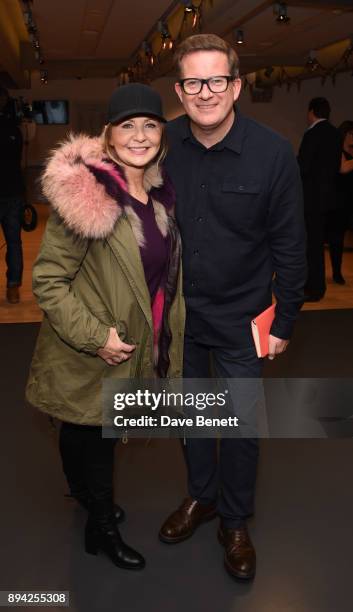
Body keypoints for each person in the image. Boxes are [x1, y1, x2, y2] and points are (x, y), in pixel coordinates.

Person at [158, 34, 306, 581]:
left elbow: (291, 244)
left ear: (236, 85)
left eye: (216, 80)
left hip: (243, 319)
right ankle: (203, 498)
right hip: (179, 318)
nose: (205, 92)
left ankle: (236, 519)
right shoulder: (163, 144)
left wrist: (284, 319)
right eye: (193, 82)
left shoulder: (272, 153)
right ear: (180, 89)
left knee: (240, 427)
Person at [26, 83, 185, 570]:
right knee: (93, 436)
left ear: (162, 133)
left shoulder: (159, 191)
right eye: (127, 125)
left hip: (135, 342)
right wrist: (98, 337)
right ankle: (102, 527)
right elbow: (49, 280)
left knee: (91, 433)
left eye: (150, 125)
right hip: (89, 345)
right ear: (109, 135)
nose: (139, 135)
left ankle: (92, 504)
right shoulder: (88, 194)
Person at [298, 97, 342, 301]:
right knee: (320, 245)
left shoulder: (312, 133)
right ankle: (316, 286)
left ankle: (313, 288)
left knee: (311, 245)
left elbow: (303, 167)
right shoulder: (335, 134)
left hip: (312, 199)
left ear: (311, 111)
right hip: (330, 198)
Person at [0, 86, 25, 303]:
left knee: (14, 243)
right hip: (14, 192)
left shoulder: (13, 129)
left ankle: (14, 285)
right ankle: (13, 286)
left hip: (12, 194)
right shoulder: (14, 129)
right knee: (14, 242)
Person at [325, 120, 353, 284]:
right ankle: (336, 273)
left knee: (339, 240)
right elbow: (343, 169)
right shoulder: (338, 152)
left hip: (348, 202)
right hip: (338, 203)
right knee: (336, 240)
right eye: (350, 133)